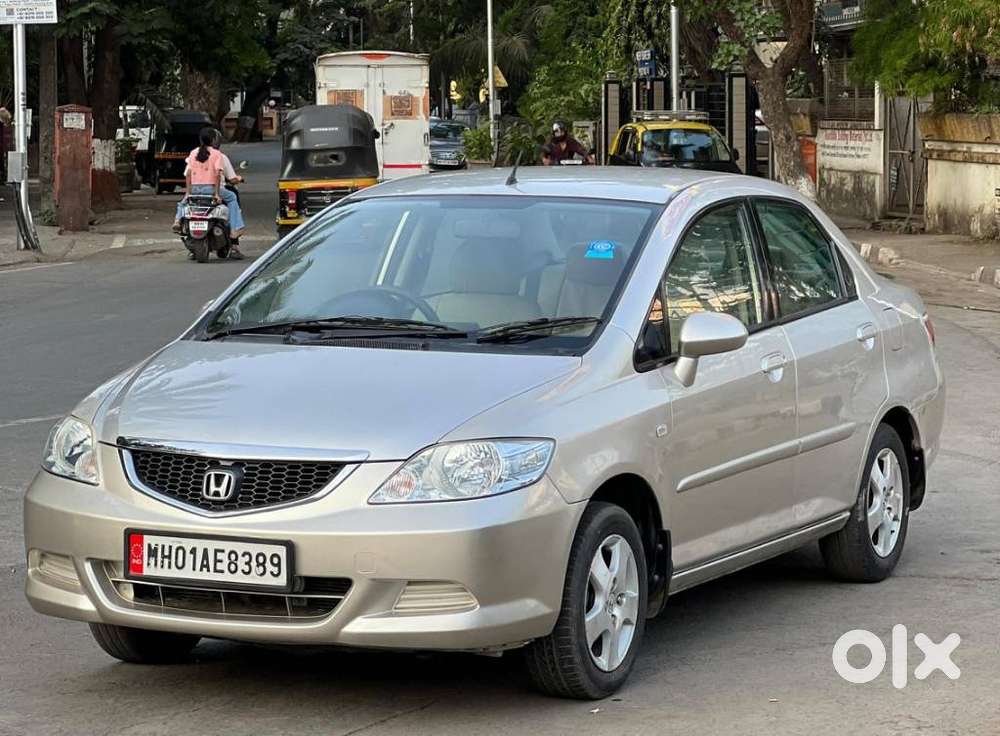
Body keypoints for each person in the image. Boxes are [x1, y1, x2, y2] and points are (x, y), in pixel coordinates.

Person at [173, 127, 223, 233]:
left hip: (195, 189)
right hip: (210, 189)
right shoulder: (216, 154)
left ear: (200, 140)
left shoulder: (193, 152)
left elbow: (188, 174)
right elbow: (218, 174)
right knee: (232, 197)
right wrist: (217, 194)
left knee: (183, 203)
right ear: (214, 140)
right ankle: (234, 229)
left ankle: (177, 221)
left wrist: (188, 192)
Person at [210, 129, 246, 259]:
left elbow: (189, 174)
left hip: (197, 190)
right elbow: (231, 179)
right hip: (217, 190)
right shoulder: (220, 156)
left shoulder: (195, 154)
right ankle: (235, 238)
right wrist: (239, 178)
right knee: (233, 198)